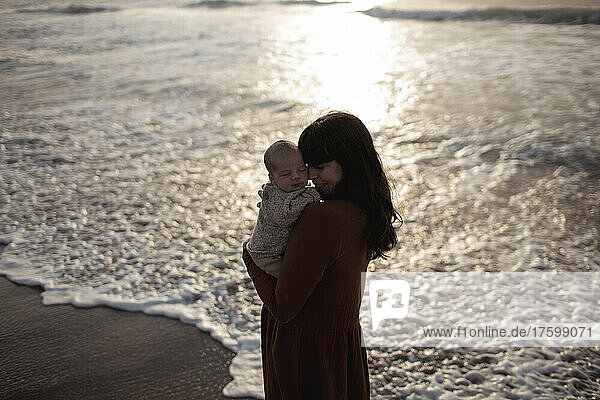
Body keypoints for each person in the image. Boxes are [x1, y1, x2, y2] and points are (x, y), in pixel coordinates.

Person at [242, 111, 401, 399]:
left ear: (348, 162)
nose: (310, 176)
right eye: (307, 166)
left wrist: (251, 258)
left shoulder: (321, 217)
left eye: (320, 166)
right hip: (343, 351)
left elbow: (284, 307)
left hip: (305, 354)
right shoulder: (366, 212)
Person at [247, 140, 321, 278]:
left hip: (280, 249)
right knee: (293, 279)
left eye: (301, 170)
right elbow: (285, 216)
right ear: (272, 178)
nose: (296, 176)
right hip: (266, 255)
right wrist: (313, 195)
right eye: (286, 174)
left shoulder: (291, 188)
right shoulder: (275, 196)